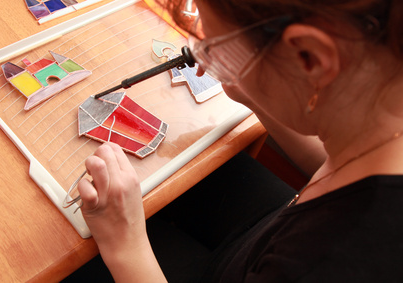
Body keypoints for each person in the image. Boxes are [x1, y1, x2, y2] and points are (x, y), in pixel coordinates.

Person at [74, 0, 403, 281]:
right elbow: (330, 158)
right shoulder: (383, 100)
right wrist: (247, 88)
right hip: (270, 228)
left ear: (310, 58)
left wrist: (124, 244)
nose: (201, 49)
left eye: (215, 41)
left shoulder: (336, 259)